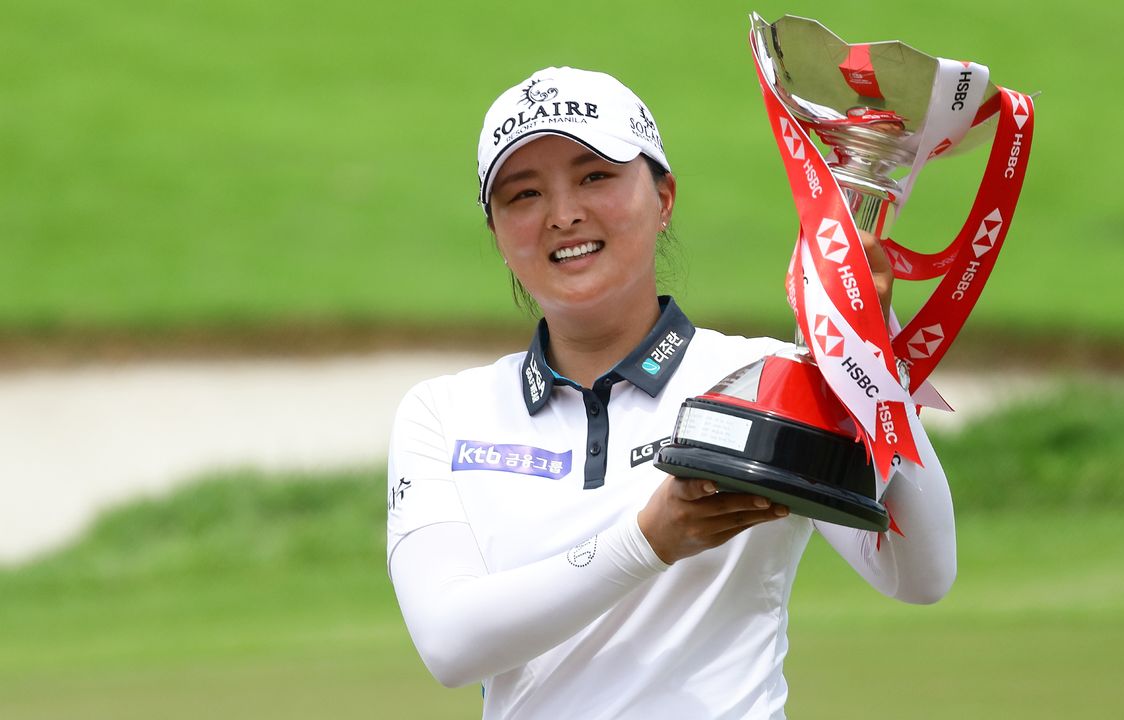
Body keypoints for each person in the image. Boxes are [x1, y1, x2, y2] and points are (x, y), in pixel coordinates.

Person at [387, 66, 956, 719]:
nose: (563, 214)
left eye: (594, 176)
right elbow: (451, 646)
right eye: (523, 195)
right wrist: (651, 539)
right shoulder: (442, 413)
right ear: (496, 232)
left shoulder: (769, 379)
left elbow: (919, 574)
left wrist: (864, 346)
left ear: (664, 198)